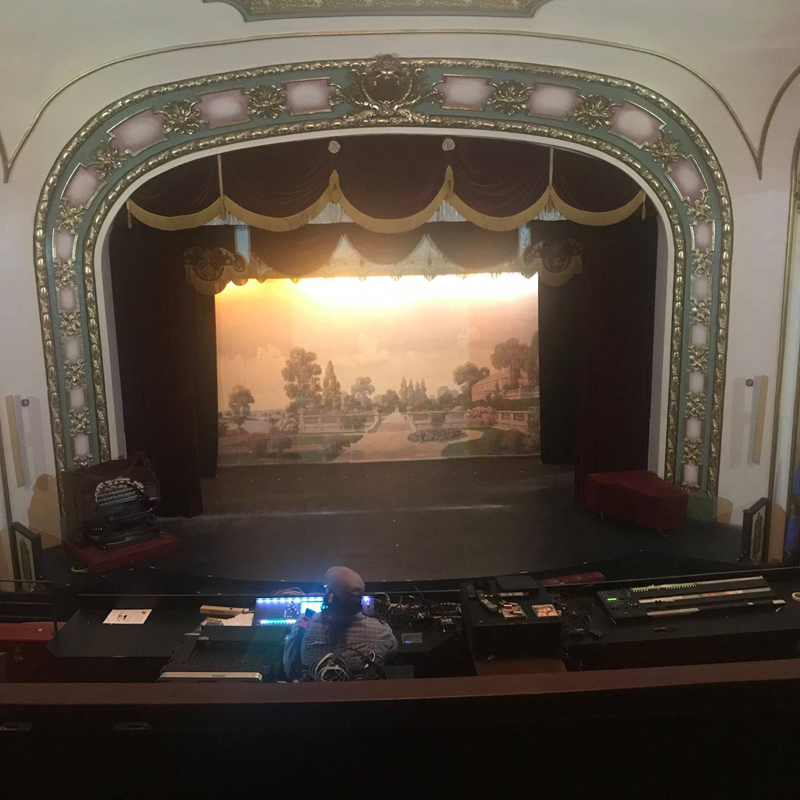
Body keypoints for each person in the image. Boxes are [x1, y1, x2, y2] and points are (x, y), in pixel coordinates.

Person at [299, 566, 397, 670]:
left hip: (316, 681)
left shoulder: (311, 621)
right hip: (365, 681)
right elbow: (391, 653)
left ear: (330, 597)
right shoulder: (381, 631)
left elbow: (299, 657)